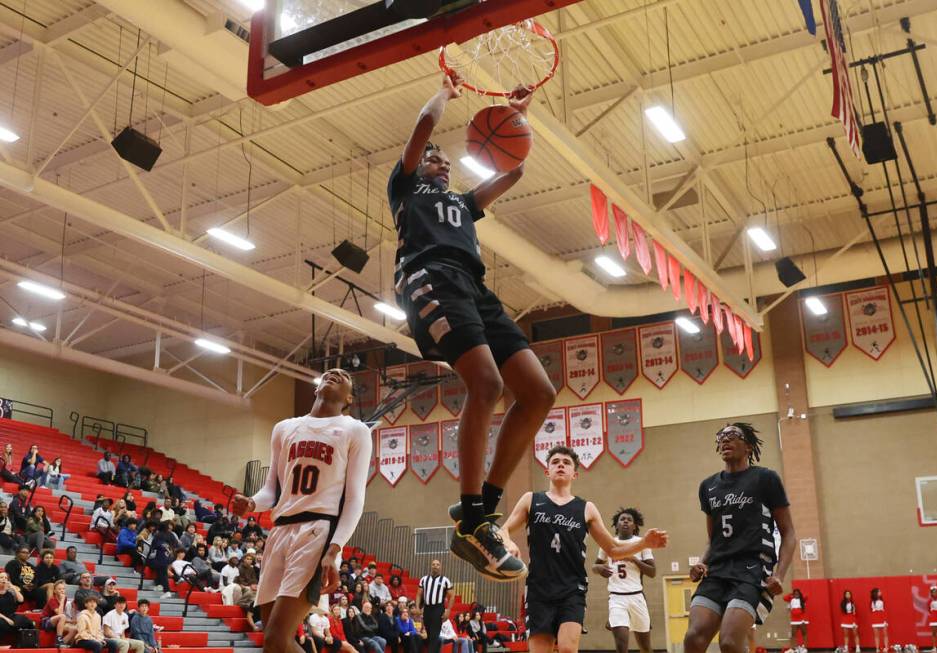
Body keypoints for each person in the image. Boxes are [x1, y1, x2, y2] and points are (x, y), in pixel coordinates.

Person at [391, 73, 557, 581]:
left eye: (445, 158)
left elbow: (516, 172)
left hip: (474, 288)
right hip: (429, 278)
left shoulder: (463, 204)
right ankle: (471, 525)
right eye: (435, 156)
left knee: (538, 392)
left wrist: (516, 116)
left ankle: (479, 506)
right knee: (485, 382)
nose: (442, 161)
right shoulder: (405, 188)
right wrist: (446, 92)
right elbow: (423, 124)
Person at [230, 368, 372, 653]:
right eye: (330, 372)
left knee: (276, 639)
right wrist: (252, 504)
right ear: (316, 387)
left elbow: (355, 499)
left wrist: (335, 550)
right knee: (272, 643)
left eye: (343, 376)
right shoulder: (284, 427)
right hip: (280, 530)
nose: (334, 373)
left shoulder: (355, 430)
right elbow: (273, 489)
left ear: (349, 398)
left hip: (317, 531)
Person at [496, 446, 666, 653]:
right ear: (547, 471)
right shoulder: (532, 500)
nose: (560, 464)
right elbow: (503, 529)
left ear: (574, 474)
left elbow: (612, 549)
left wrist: (644, 544)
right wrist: (509, 542)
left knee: (568, 649)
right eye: (555, 461)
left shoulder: (586, 508)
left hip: (572, 588)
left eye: (566, 463)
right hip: (539, 587)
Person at [684, 423, 797, 653]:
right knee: (693, 638)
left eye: (733, 435)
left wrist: (779, 574)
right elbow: (713, 538)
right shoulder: (708, 486)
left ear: (747, 446)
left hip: (752, 570)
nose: (725, 440)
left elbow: (789, 533)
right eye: (721, 437)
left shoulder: (765, 478)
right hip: (717, 569)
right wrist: (702, 562)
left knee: (729, 642)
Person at [593, 507, 656, 653]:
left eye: (629, 520)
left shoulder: (641, 543)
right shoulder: (608, 544)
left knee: (645, 647)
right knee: (621, 647)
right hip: (616, 598)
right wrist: (599, 569)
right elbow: (595, 566)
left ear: (635, 526)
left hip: (637, 597)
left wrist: (634, 559)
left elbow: (652, 572)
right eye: (622, 519)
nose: (625, 521)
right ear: (616, 525)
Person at [417, 560, 454, 653]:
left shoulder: (445, 580)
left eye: (437, 564)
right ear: (431, 566)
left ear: (440, 567)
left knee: (434, 635)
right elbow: (418, 594)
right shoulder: (424, 579)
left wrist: (448, 610)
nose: (435, 566)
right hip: (427, 609)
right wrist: (418, 607)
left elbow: (452, 596)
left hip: (438, 609)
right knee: (429, 634)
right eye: (433, 564)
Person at [42, 579, 78, 647]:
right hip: (46, 622)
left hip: (57, 622)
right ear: (55, 591)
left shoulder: (65, 598)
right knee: (62, 616)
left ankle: (61, 644)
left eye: (63, 589)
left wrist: (71, 621)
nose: (62, 591)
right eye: (59, 589)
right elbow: (60, 614)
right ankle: (59, 639)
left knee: (74, 629)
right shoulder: (52, 600)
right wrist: (62, 600)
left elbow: (61, 617)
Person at [148, 522, 179, 598]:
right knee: (159, 569)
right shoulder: (171, 534)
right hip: (170, 556)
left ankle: (167, 591)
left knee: (163, 573)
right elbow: (176, 543)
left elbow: (153, 546)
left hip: (161, 556)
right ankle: (159, 585)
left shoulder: (158, 535)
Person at [0, 571, 34, 637]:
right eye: (1, 577)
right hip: (1, 616)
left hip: (11, 615)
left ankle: (29, 640)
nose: (4, 579)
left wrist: (13, 588)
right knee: (2, 623)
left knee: (26, 620)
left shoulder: (11, 591)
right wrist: (7, 620)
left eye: (6, 578)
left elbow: (21, 600)